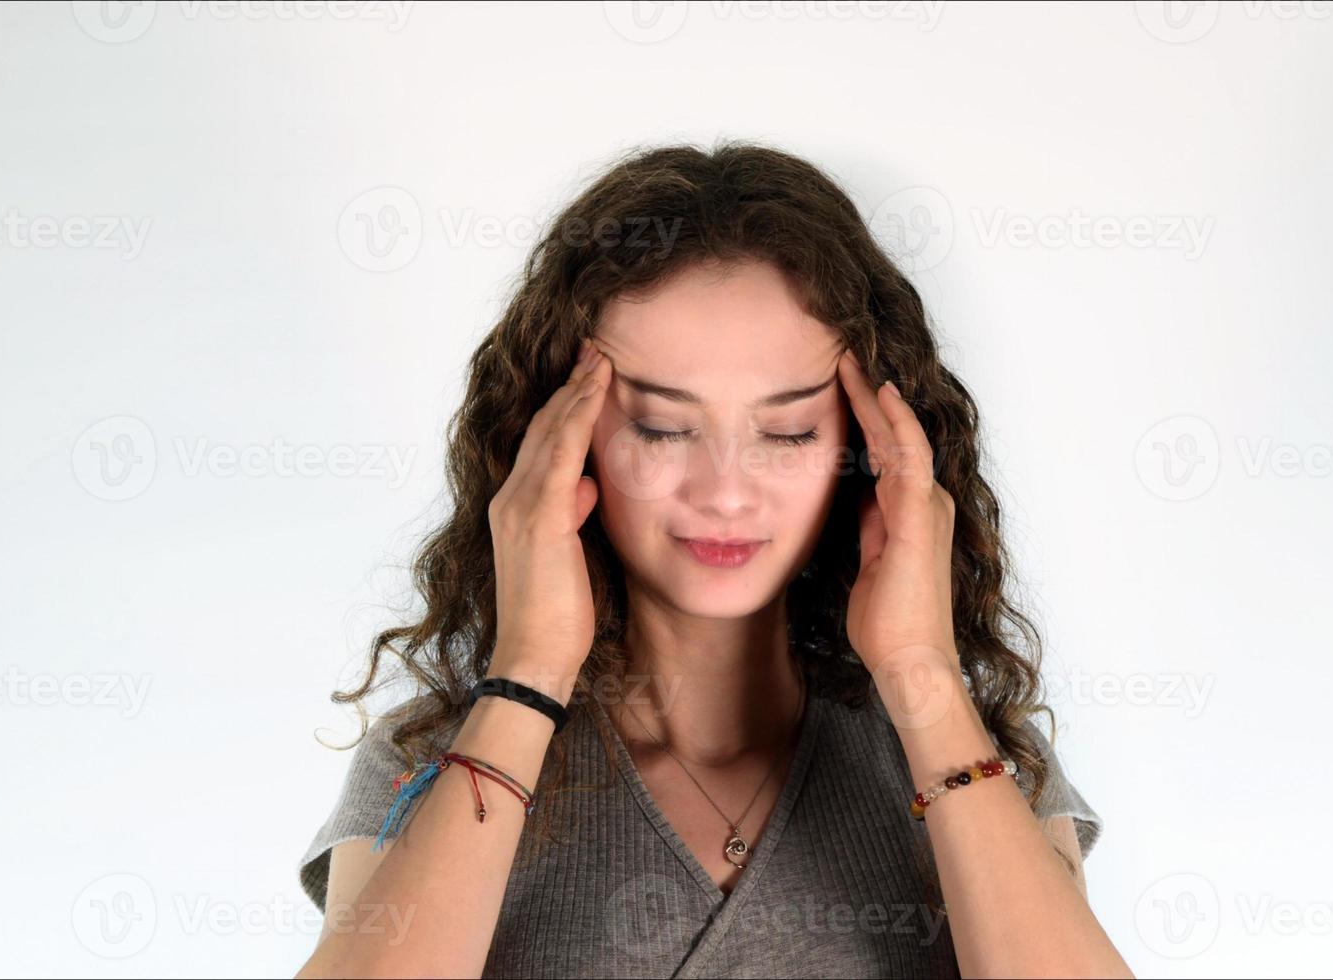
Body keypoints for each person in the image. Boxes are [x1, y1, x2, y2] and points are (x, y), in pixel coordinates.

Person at [295, 141, 1132, 977]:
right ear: (561, 442)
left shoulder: (980, 755)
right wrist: (527, 674)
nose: (727, 491)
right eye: (662, 427)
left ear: (872, 445)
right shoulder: (430, 762)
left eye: (790, 430)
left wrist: (922, 673)